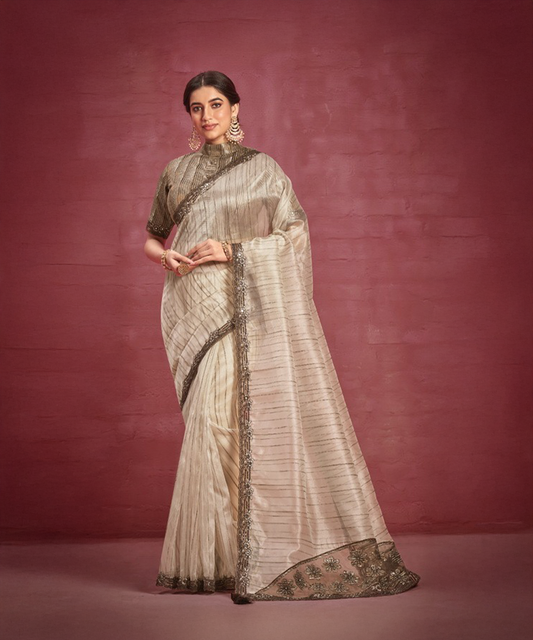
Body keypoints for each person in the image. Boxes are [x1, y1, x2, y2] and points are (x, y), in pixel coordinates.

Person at [144, 70, 421, 604]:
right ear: (189, 116)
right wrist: (168, 257)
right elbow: (153, 237)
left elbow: (293, 235)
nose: (206, 116)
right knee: (209, 425)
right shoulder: (175, 172)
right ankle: (215, 559)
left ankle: (248, 557)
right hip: (193, 306)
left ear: (235, 108)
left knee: (235, 425)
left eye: (216, 104)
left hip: (247, 305)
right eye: (197, 108)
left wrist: (232, 250)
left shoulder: (264, 169)